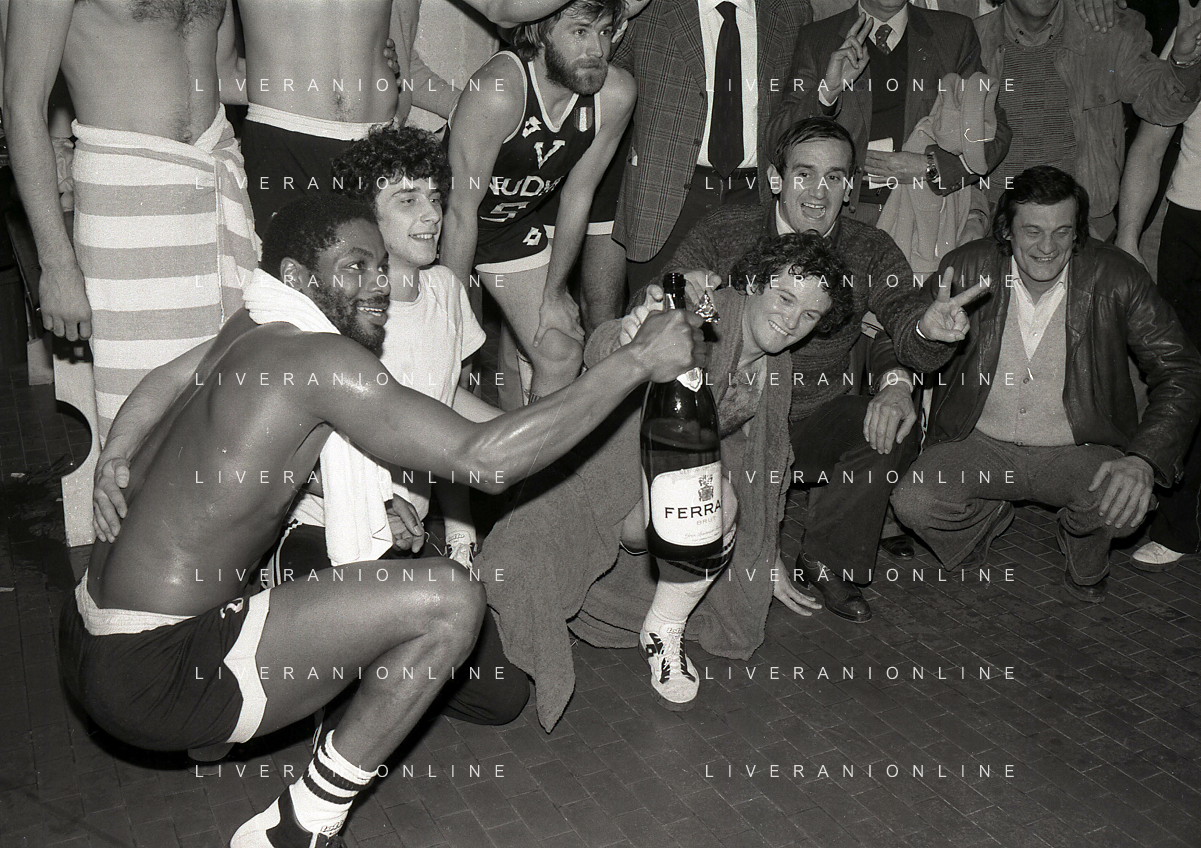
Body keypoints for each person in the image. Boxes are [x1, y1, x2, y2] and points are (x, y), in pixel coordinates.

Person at [75, 194, 700, 847]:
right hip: (154, 672)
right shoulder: (320, 358)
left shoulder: (252, 325)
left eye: (379, 266)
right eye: (354, 267)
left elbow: (162, 379)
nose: (378, 283)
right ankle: (303, 823)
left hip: (93, 635)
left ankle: (256, 705)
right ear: (297, 278)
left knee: (484, 681)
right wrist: (635, 362)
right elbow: (485, 462)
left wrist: (115, 454)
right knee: (450, 601)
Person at [475, 232, 852, 722]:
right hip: (607, 485)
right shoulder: (705, 314)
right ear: (756, 283)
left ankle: (662, 629)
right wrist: (633, 331)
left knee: (719, 500)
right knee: (512, 617)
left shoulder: (776, 369)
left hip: (665, 498)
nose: (791, 321)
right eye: (784, 298)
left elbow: (767, 468)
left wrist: (767, 553)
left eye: (810, 315)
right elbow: (604, 347)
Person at [668, 117, 984, 623]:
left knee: (895, 424)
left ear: (850, 187)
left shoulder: (870, 248)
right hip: (728, 421)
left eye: (834, 177)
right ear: (776, 179)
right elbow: (667, 294)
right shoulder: (726, 230)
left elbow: (903, 324)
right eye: (804, 174)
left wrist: (926, 332)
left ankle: (827, 558)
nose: (819, 192)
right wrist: (685, 294)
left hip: (812, 420)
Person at [891, 166, 1201, 603]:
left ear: (1078, 232)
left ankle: (1083, 545)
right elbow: (904, 340)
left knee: (1124, 503)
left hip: (1079, 449)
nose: (1048, 247)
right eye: (1032, 231)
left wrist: (1145, 458)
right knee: (914, 501)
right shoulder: (966, 266)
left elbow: (1181, 368)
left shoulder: (1118, 276)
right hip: (979, 442)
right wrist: (925, 334)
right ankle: (983, 522)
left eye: (1062, 231)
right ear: (1006, 230)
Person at [4, 0, 258, 438]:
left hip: (217, 190)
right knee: (142, 423)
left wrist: (345, 79)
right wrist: (57, 264)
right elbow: (21, 105)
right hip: (126, 205)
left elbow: (224, 75)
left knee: (242, 403)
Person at [442, 0, 634, 408]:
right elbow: (458, 214)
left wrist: (553, 295)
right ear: (541, 33)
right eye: (580, 32)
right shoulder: (498, 90)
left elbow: (577, 196)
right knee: (448, 365)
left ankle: (534, 450)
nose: (598, 49)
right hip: (441, 227)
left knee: (560, 351)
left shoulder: (616, 93)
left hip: (506, 224)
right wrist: (450, 323)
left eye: (605, 31)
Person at [584, 0, 813, 305]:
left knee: (738, 320)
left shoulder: (791, 10)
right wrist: (619, 14)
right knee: (656, 319)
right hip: (665, 200)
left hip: (753, 198)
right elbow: (597, 73)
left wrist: (826, 95)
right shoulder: (649, 7)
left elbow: (794, 106)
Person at [768, 0, 1011, 228]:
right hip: (842, 220)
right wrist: (827, 92)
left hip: (926, 218)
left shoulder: (954, 33)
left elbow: (995, 135)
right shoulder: (817, 37)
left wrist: (931, 167)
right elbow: (775, 142)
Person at [972, 0, 1201, 237]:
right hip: (996, 225)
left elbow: (1161, 108)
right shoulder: (972, 40)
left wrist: (1184, 64)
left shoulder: (1107, 30)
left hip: (1086, 226)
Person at [1115, 26, 1201, 570]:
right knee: (1185, 375)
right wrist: (1128, 236)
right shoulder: (1195, 30)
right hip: (1191, 225)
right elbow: (1151, 143)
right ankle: (1178, 526)